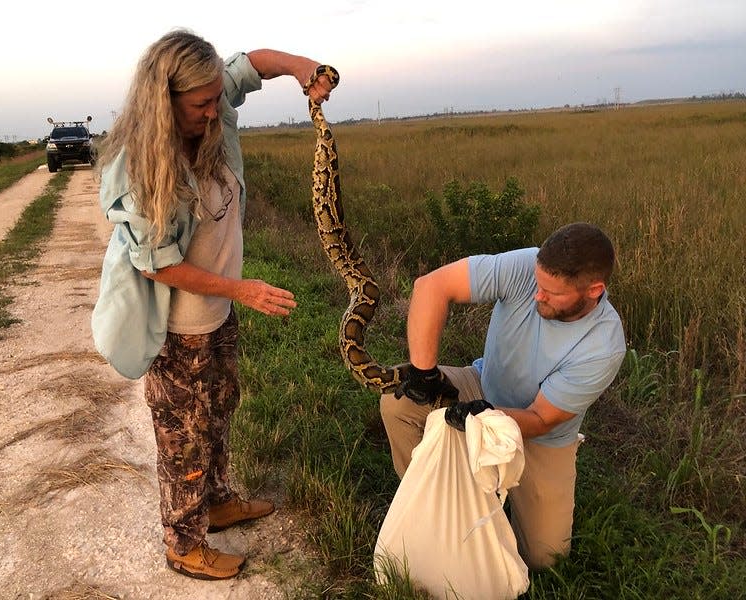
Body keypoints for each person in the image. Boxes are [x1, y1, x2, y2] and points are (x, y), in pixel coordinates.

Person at [91, 29, 335, 580]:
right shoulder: (142, 167)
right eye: (201, 105)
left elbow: (253, 63)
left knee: (221, 408)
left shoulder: (208, 100)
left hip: (217, 315)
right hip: (179, 329)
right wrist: (243, 289)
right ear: (165, 101)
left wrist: (302, 68)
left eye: (214, 99)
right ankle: (183, 543)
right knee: (184, 438)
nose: (213, 113)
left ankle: (219, 503)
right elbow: (158, 265)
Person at [380, 222, 626, 570]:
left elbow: (540, 420)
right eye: (538, 284)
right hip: (482, 385)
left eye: (551, 293)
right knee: (400, 402)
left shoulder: (603, 346)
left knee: (545, 559)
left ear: (594, 290)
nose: (537, 295)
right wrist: (424, 374)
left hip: (540, 437)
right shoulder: (527, 266)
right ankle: (430, 500)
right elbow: (431, 286)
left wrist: (481, 417)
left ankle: (498, 492)